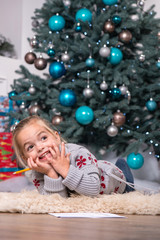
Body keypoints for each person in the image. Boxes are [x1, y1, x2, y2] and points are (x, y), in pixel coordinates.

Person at [12, 115, 134, 198]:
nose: (39, 147)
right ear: (25, 158)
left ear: (56, 137)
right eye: (30, 147)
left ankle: (123, 170)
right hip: (85, 185)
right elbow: (57, 202)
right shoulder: (36, 172)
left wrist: (65, 169)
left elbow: (93, 190)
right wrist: (50, 173)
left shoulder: (78, 153)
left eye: (44, 138)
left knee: (127, 185)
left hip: (113, 181)